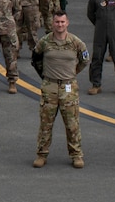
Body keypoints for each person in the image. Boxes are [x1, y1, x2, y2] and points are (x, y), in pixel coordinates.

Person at [32, 11, 89, 168]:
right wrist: (44, 75)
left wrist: (73, 73)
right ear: (53, 24)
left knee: (72, 123)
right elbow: (35, 59)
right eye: (57, 22)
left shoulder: (76, 42)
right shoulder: (44, 42)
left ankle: (76, 155)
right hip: (49, 86)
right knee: (46, 123)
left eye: (62, 22)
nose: (60, 25)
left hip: (68, 87)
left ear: (67, 23)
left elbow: (84, 59)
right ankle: (41, 154)